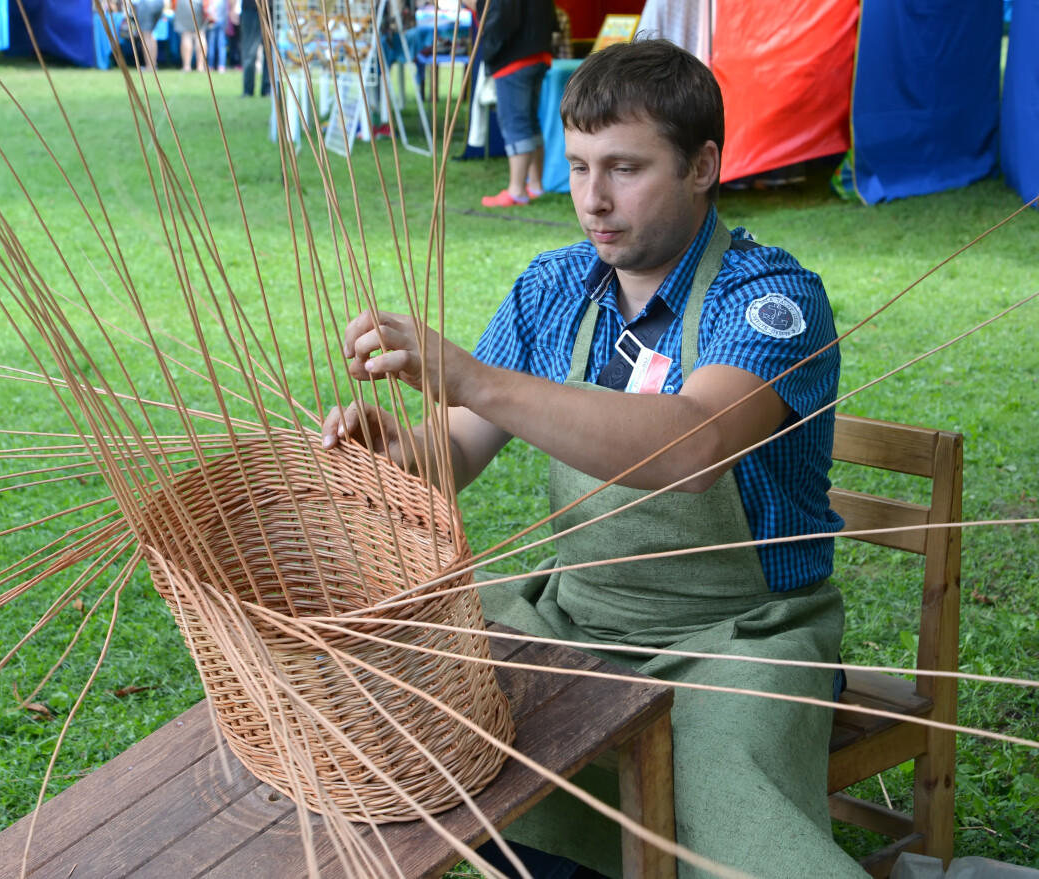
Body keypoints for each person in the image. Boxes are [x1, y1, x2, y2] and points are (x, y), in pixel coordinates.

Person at [321, 39, 869, 879]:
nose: (593, 199)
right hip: (577, 618)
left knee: (733, 816)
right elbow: (456, 448)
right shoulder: (553, 289)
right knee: (422, 688)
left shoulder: (769, 299)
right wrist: (391, 452)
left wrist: (475, 378)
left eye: (624, 167)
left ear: (703, 166)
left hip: (742, 637)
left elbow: (693, 445)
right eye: (577, 167)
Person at [472, 0, 554, 207]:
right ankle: (535, 186)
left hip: (514, 58)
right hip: (538, 53)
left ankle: (517, 191)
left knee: (515, 123)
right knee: (529, 121)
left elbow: (500, 21)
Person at [238, 0, 269, 97]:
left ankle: (268, 89)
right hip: (251, 7)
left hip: (271, 9)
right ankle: (248, 89)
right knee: (250, 52)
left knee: (270, 53)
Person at [128, 0, 164, 70]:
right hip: (159, 3)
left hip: (146, 3)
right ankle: (153, 64)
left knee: (146, 35)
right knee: (151, 34)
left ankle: (149, 66)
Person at [174, 0, 207, 72]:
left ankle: (186, 66)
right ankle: (200, 66)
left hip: (185, 3)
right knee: (200, 34)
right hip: (201, 3)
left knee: (186, 34)